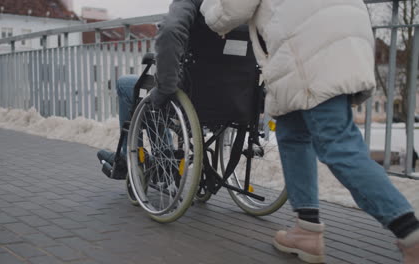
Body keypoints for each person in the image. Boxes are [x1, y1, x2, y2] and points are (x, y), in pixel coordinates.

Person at [199, 0, 419, 263]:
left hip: (308, 42)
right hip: (337, 29)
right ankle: (306, 229)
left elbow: (230, 11)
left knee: (338, 144)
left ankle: (411, 234)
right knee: (292, 133)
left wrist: (205, 5)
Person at [97, 0, 206, 179]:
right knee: (155, 92)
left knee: (129, 86)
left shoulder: (191, 3)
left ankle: (131, 157)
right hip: (230, 99)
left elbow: (170, 31)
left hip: (190, 92)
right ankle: (161, 155)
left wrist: (164, 88)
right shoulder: (243, 9)